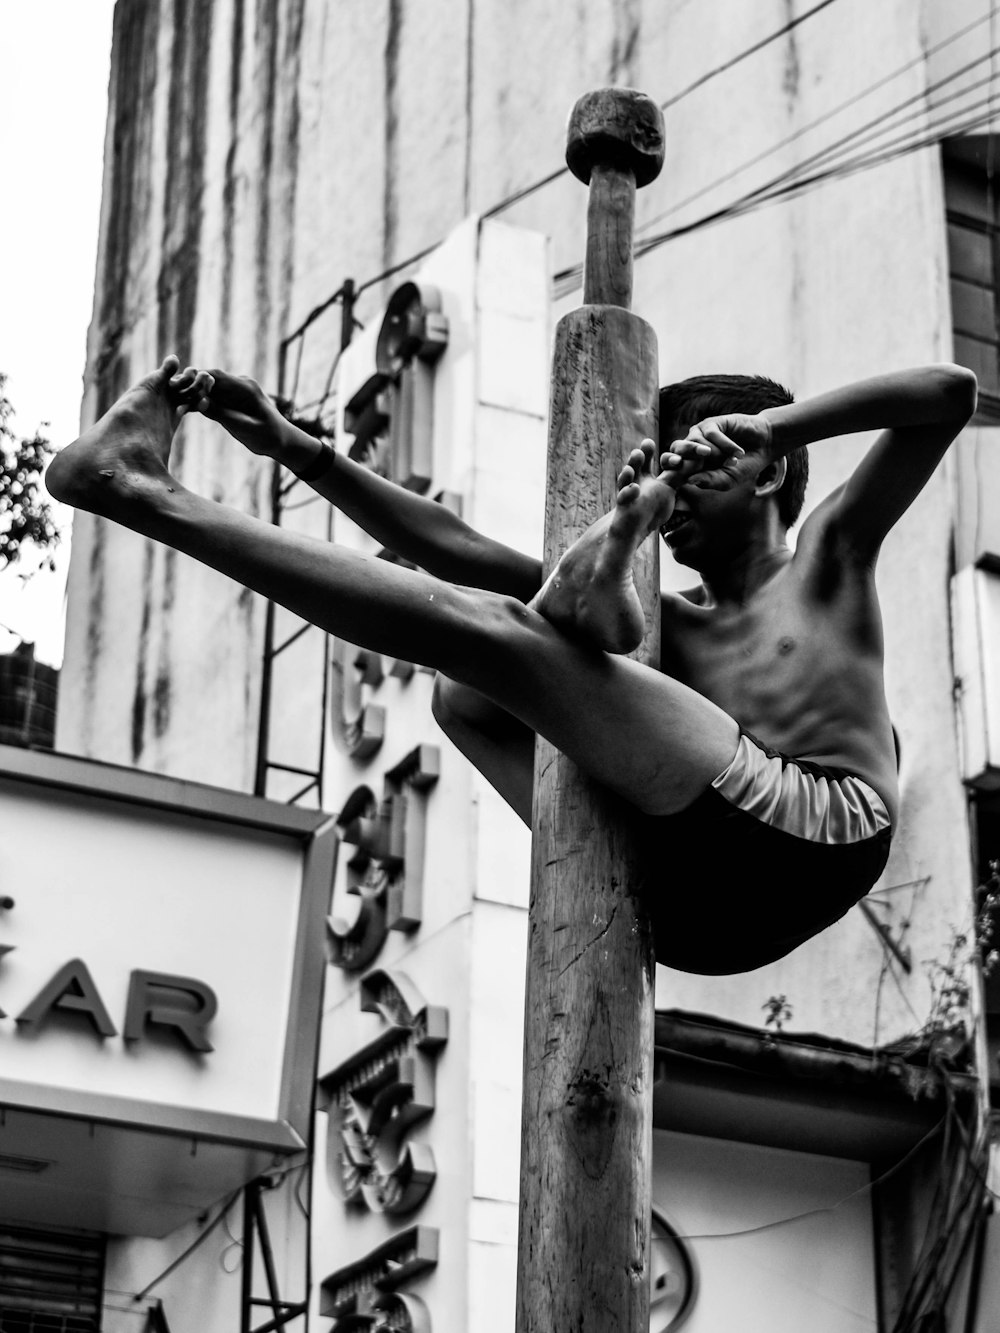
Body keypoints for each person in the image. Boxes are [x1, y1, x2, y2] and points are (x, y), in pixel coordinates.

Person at [45, 356, 977, 973]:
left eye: (704, 467)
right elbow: (452, 548)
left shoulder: (829, 556)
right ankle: (596, 577)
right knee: (469, 690)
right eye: (671, 473)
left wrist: (780, 423)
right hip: (687, 910)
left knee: (497, 632)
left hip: (819, 833)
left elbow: (949, 393)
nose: (681, 489)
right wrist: (300, 448)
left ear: (767, 473)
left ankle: (140, 494)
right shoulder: (674, 629)